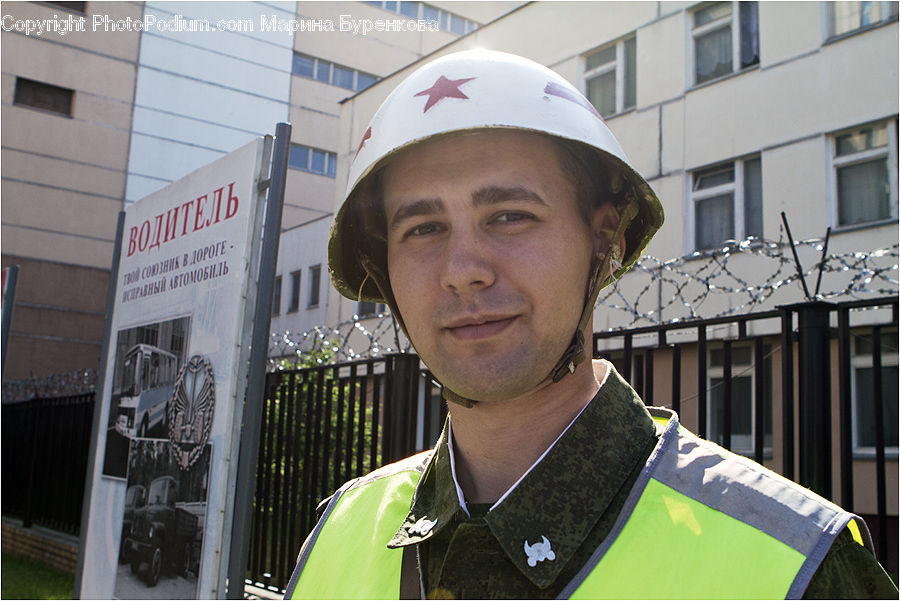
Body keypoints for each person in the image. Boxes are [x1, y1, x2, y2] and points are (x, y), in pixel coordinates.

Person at [284, 50, 897, 599]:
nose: (462, 271)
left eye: (509, 216)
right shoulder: (338, 532)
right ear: (382, 268)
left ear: (603, 241)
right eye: (422, 229)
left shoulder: (798, 567)